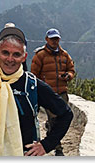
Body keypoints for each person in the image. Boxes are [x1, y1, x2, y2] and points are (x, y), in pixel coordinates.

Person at [0, 24, 73, 156]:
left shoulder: (33, 85)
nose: (10, 59)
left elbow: (66, 114)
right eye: (5, 53)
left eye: (16, 54)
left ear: (24, 57)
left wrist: (46, 145)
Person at [30, 28, 76, 156]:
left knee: (63, 118)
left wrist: (69, 76)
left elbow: (71, 69)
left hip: (62, 92)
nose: (54, 41)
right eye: (52, 39)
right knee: (55, 119)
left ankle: (50, 131)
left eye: (56, 39)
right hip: (48, 95)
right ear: (46, 39)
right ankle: (58, 147)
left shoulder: (64, 55)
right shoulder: (40, 55)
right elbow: (34, 75)